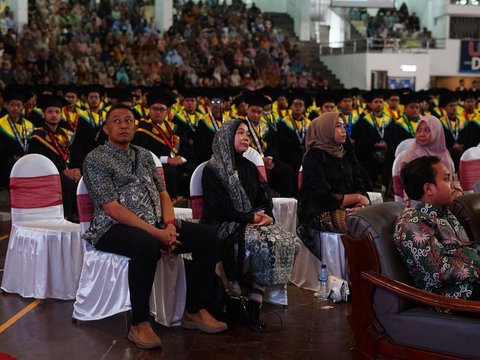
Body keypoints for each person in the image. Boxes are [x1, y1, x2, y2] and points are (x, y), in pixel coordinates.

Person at [82, 104, 227, 350]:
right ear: (106, 128)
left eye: (128, 120)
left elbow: (163, 194)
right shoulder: (96, 159)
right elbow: (111, 208)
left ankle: (194, 309)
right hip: (111, 228)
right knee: (145, 245)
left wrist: (169, 226)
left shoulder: (145, 155)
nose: (123, 125)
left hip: (156, 224)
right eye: (116, 121)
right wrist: (157, 233)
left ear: (135, 126)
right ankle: (139, 322)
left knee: (207, 236)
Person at [201, 119, 298, 325]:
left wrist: (268, 216)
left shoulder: (249, 166)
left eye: (247, 134)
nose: (246, 137)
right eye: (240, 133)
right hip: (223, 223)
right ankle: (240, 294)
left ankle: (257, 292)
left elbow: (264, 198)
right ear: (226, 137)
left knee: (287, 239)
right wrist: (249, 218)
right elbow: (217, 209)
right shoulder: (213, 169)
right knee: (261, 242)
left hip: (251, 221)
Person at [394, 156, 480, 300]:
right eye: (446, 179)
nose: (453, 184)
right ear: (428, 189)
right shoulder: (412, 222)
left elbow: (464, 249)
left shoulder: (443, 212)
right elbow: (439, 270)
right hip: (452, 295)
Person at [298, 112, 370, 237]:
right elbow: (324, 198)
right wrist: (358, 198)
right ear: (325, 130)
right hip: (320, 211)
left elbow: (360, 182)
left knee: (374, 219)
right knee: (359, 224)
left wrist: (360, 205)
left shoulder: (347, 152)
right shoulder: (314, 156)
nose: (343, 130)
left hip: (349, 207)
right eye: (338, 126)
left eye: (343, 126)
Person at [27, 94, 81, 221]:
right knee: (65, 182)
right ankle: (66, 217)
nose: (54, 115)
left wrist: (77, 169)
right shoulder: (37, 136)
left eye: (57, 112)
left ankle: (82, 214)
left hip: (68, 172)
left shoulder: (66, 134)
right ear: (43, 114)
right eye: (50, 111)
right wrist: (63, 170)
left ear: (61, 115)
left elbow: (77, 155)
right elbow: (39, 160)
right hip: (47, 174)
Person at [402, 115, 463, 198]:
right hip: (423, 200)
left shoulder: (444, 153)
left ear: (437, 132)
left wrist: (457, 190)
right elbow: (410, 186)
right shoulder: (413, 154)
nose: (422, 134)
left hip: (447, 195)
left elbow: (453, 177)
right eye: (419, 130)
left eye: (427, 130)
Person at [0, 86, 34, 188]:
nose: (15, 108)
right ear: (6, 106)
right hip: (6, 169)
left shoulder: (30, 126)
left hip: (27, 166)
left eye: (19, 105)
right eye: (12, 105)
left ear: (23, 107)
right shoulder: (1, 124)